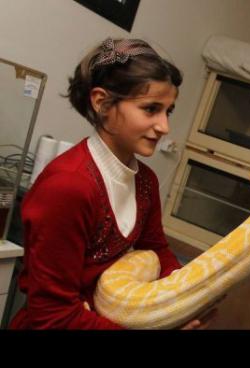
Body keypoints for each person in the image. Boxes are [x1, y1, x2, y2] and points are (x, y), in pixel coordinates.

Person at [10, 38, 216, 329]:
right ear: (102, 102)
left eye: (167, 111)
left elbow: (157, 249)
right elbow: (52, 315)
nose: (164, 127)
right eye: (150, 108)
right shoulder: (68, 187)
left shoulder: (145, 182)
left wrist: (182, 299)